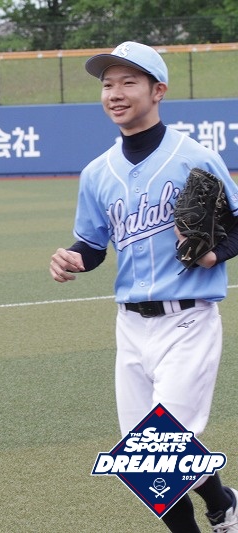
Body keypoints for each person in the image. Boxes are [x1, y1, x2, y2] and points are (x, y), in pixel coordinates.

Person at [49, 41, 238, 532]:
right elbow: (93, 244)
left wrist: (215, 253)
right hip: (131, 327)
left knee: (160, 453)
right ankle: (223, 503)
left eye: (128, 82)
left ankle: (217, 512)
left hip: (188, 320)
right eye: (108, 84)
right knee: (143, 460)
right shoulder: (97, 173)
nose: (115, 93)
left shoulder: (194, 157)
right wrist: (74, 257)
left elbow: (237, 222)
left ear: (158, 91)